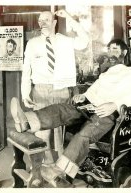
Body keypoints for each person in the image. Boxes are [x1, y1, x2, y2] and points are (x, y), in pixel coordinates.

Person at [11, 39, 131, 187]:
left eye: (115, 49)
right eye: (110, 49)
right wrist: (84, 96)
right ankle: (27, 121)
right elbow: (93, 91)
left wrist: (114, 105)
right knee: (61, 109)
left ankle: (58, 170)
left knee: (83, 135)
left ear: (124, 53)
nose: (112, 53)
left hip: (107, 115)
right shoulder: (105, 74)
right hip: (90, 108)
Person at [19, 9, 89, 164]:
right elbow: (26, 71)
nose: (43, 23)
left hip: (61, 90)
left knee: (60, 132)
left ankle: (61, 167)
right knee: (42, 130)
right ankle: (44, 165)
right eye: (40, 20)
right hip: (40, 91)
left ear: (55, 23)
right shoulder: (32, 43)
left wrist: (70, 18)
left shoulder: (64, 40)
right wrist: (25, 94)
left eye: (47, 20)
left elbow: (84, 41)